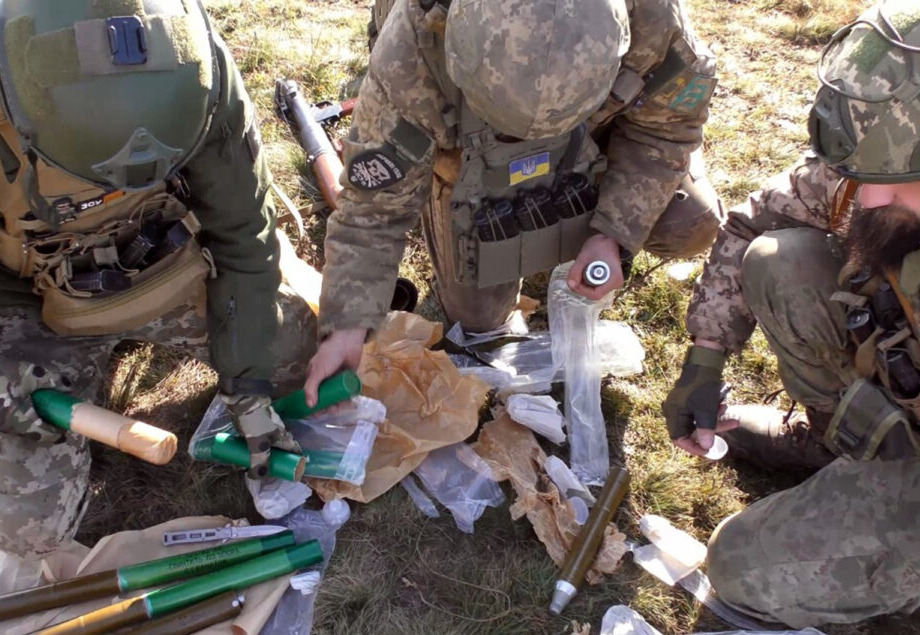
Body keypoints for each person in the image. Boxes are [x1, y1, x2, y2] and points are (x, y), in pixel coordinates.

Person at [0, 0, 315, 558]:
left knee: (299, 363)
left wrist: (249, 385)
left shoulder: (192, 71)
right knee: (29, 527)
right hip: (27, 304)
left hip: (166, 270)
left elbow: (243, 232)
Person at [663, 0, 920, 635]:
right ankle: (844, 441)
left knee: (740, 567)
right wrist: (705, 356)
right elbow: (755, 220)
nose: (864, 199)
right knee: (781, 258)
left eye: (893, 182)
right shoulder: (896, 160)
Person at [303, 0, 721, 404]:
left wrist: (613, 233)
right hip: (469, 152)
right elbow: (374, 211)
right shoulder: (413, 52)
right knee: (481, 324)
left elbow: (666, 130)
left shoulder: (654, 17)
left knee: (689, 221)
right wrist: (347, 326)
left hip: (593, 130)